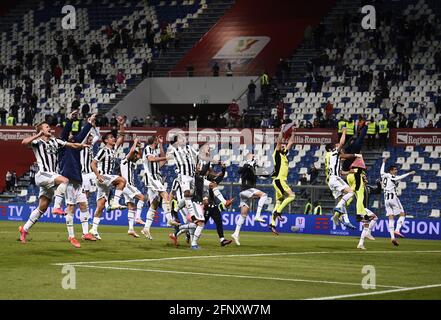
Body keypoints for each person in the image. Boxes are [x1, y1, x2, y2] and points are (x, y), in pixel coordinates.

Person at [18, 122, 89, 243]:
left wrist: (82, 145)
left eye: (49, 127)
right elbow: (24, 142)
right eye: (46, 127)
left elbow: (71, 145)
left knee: (42, 208)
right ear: (41, 130)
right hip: (42, 175)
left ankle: (24, 230)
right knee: (65, 180)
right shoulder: (37, 142)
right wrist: (38, 135)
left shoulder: (55, 141)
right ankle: (56, 207)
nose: (49, 128)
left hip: (51, 178)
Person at [59, 111, 98, 247]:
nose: (71, 135)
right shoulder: (63, 146)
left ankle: (86, 233)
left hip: (78, 180)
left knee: (83, 205)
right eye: (69, 134)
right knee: (70, 206)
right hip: (68, 179)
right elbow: (64, 135)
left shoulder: (76, 146)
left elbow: (81, 135)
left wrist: (89, 122)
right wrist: (69, 120)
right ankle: (71, 236)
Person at [89, 117, 127, 240]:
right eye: (111, 138)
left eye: (113, 137)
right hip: (103, 177)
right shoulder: (103, 151)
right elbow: (93, 164)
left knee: (100, 206)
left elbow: (122, 137)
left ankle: (93, 230)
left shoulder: (113, 149)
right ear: (105, 141)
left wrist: (121, 124)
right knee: (122, 180)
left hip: (105, 181)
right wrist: (98, 175)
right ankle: (115, 202)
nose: (113, 138)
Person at [140, 135, 178, 240]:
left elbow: (162, 157)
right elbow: (151, 159)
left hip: (156, 176)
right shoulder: (148, 148)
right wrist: (166, 157)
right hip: (151, 177)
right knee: (165, 194)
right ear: (154, 141)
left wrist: (161, 144)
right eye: (157, 140)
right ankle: (169, 219)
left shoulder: (155, 149)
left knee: (155, 203)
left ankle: (146, 228)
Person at [324, 127, 359, 230]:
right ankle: (338, 207)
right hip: (334, 179)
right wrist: (344, 132)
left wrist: (349, 172)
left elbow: (341, 172)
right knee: (351, 192)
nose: (339, 147)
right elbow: (342, 142)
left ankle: (345, 220)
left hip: (332, 180)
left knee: (342, 201)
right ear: (334, 148)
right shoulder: (334, 153)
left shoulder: (333, 158)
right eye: (337, 146)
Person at [231, 154, 268, 245]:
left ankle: (236, 233)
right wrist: (249, 163)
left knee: (243, 214)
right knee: (264, 195)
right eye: (253, 156)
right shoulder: (246, 165)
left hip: (246, 193)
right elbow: (240, 171)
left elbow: (265, 175)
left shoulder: (253, 168)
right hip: (246, 190)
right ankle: (257, 215)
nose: (254, 156)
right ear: (249, 157)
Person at [380, 158, 416, 246]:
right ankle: (398, 229)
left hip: (386, 199)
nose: (396, 171)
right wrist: (409, 173)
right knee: (402, 214)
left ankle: (392, 237)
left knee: (391, 217)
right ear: (391, 171)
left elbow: (381, 172)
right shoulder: (390, 176)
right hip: (393, 197)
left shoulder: (384, 175)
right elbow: (398, 178)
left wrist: (383, 163)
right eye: (395, 170)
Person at [269, 127, 297, 235]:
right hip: (279, 181)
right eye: (282, 146)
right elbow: (279, 141)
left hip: (280, 181)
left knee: (278, 201)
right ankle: (278, 212)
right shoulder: (276, 154)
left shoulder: (284, 155)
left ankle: (272, 223)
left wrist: (294, 132)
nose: (284, 146)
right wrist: (281, 130)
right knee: (291, 196)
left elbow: (291, 142)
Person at [346, 158, 377, 250]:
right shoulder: (360, 182)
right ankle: (366, 235)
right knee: (374, 218)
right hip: (362, 208)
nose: (366, 179)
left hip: (362, 207)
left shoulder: (356, 182)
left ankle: (361, 243)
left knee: (366, 224)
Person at [118, 137, 147, 237]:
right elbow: (131, 152)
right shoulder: (125, 160)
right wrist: (134, 143)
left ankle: (131, 229)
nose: (136, 157)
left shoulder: (132, 162)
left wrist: (139, 147)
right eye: (134, 155)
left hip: (128, 186)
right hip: (127, 185)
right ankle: (138, 217)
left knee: (131, 207)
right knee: (142, 197)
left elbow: (139, 156)